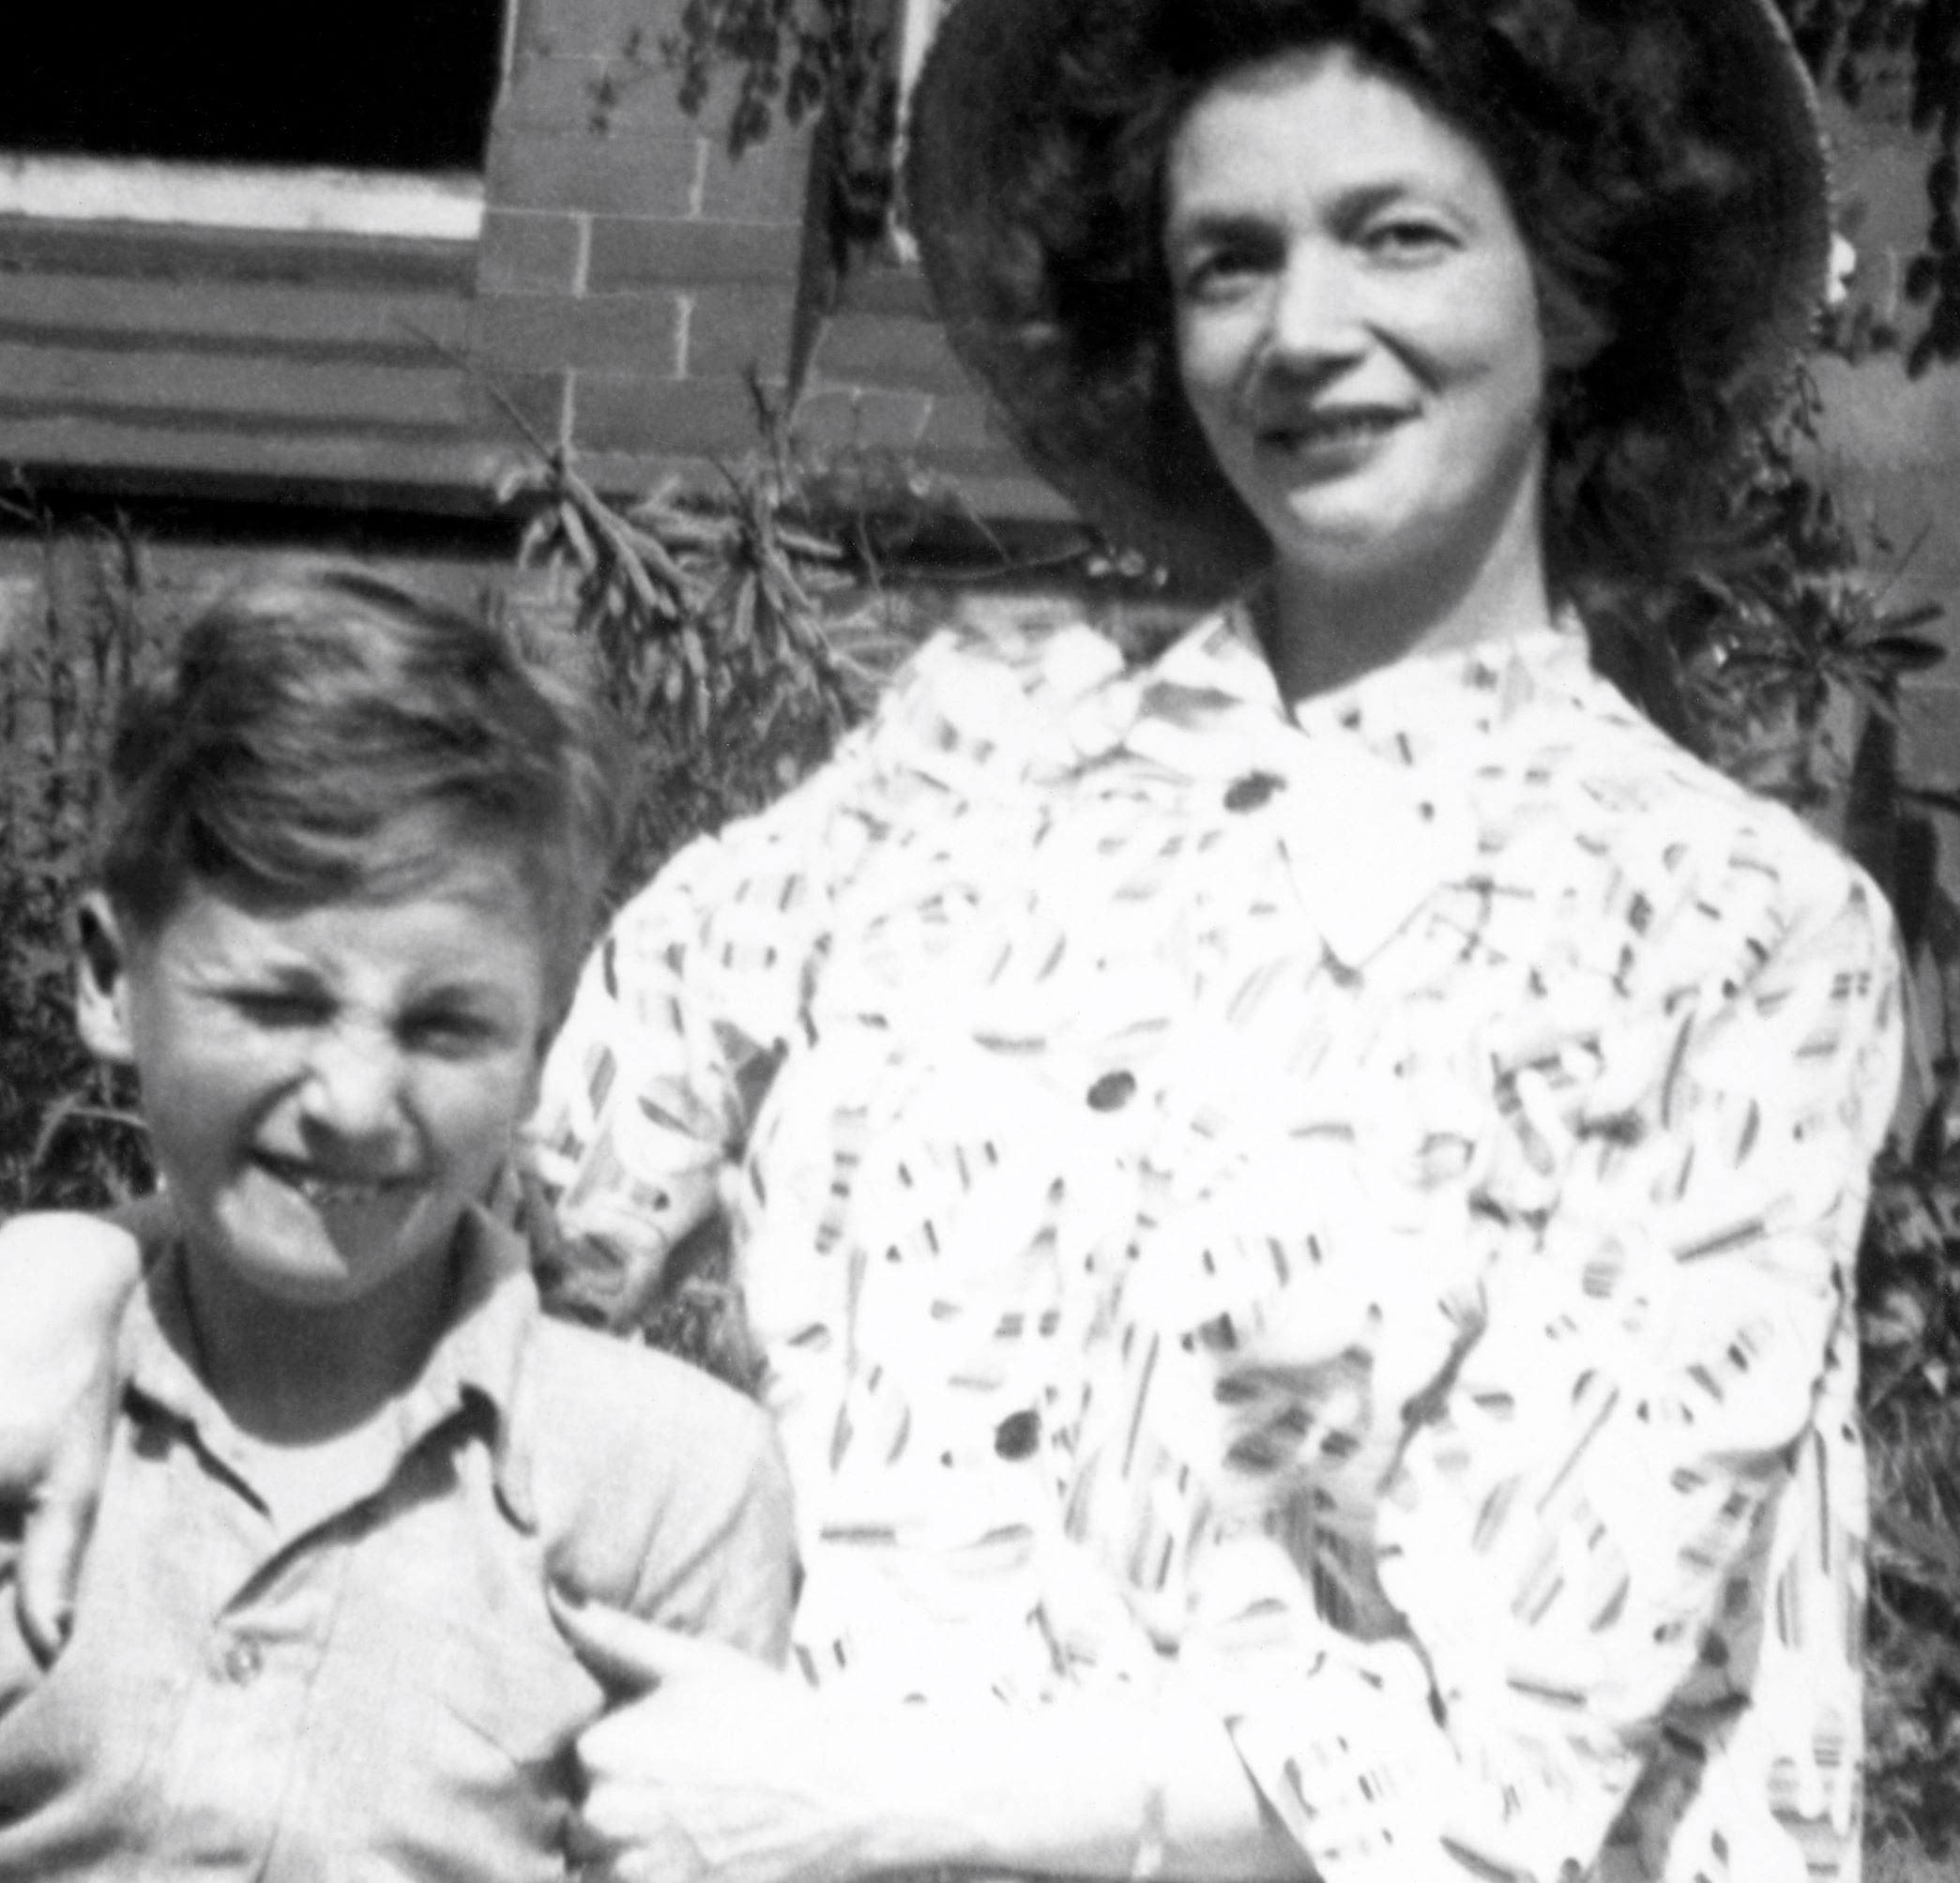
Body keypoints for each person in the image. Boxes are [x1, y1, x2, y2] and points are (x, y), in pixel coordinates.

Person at [0, 1, 1906, 1880]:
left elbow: (1503, 1757)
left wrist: (870, 1798)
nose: (1304, 330)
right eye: (1226, 261)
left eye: (1395, 233)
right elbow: (466, 1138)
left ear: (1569, 286)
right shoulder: (958, 765)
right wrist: (84, 1273)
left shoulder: (1723, 938)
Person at [0, 568, 796, 1879]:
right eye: (273, 1005)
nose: (357, 1107)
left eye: (446, 1026)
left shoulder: (664, 1489)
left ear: (542, 1044)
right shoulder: (25, 1384)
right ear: (105, 980)